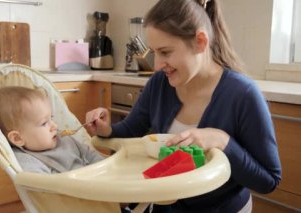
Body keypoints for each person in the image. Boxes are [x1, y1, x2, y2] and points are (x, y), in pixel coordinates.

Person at [85, 0, 282, 212]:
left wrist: (223, 141)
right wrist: (108, 129)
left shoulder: (243, 95)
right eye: (154, 52)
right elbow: (130, 130)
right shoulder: (159, 84)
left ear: (200, 41)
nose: (157, 65)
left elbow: (268, 181)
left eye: (165, 52)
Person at [0, 86, 104, 174]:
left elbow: (91, 155)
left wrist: (104, 169)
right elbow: (44, 188)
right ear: (17, 138)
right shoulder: (27, 162)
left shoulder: (65, 140)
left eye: (51, 118)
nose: (55, 126)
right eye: (44, 123)